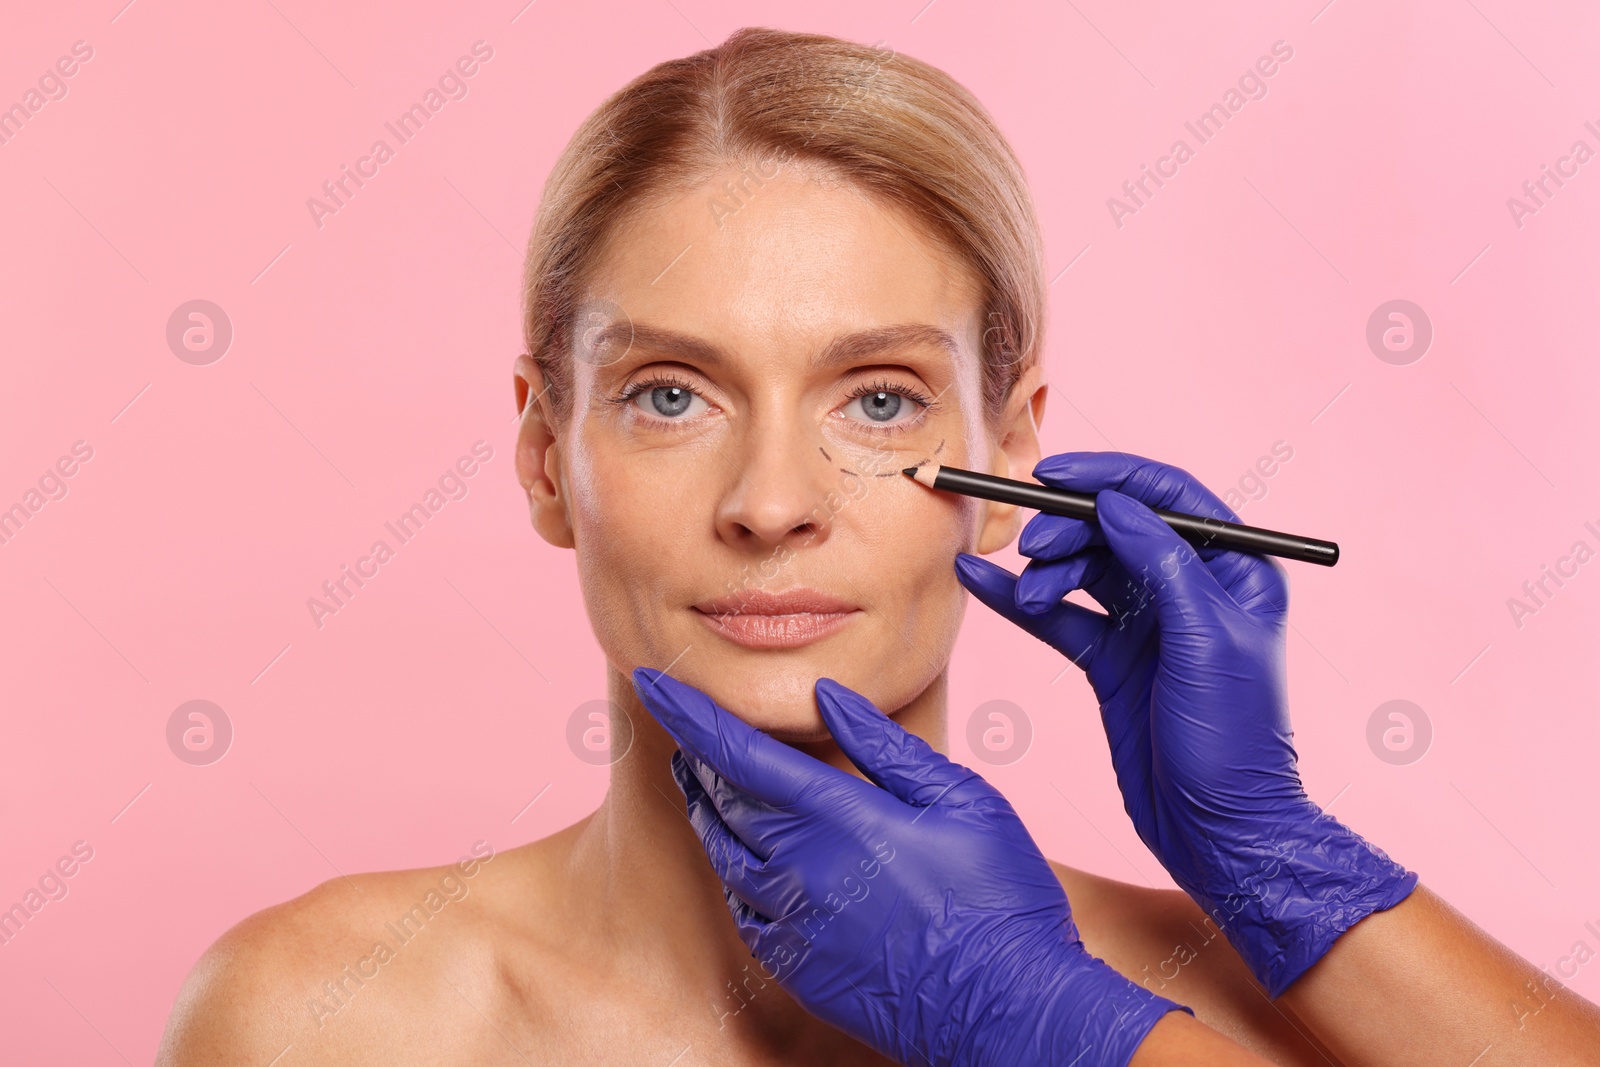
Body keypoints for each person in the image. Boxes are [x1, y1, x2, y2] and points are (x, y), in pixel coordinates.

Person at [155, 26, 1599, 1065]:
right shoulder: (327, 1022)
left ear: (1013, 448)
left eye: (878, 397)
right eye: (671, 394)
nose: (773, 500)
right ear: (546, 454)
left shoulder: (1258, 1015)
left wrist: (1276, 866)